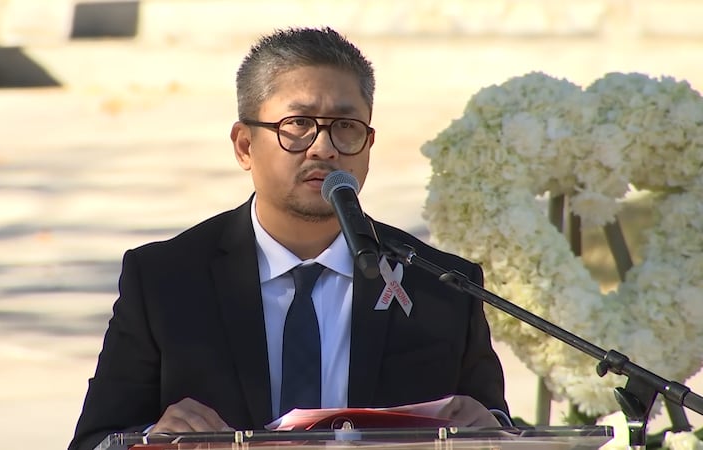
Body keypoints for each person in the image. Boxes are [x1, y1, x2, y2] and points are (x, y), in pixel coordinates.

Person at [69, 26, 508, 450]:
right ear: (244, 145)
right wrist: (153, 441)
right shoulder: (166, 281)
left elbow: (492, 425)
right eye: (297, 124)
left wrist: (492, 434)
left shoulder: (441, 285)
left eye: (346, 127)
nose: (324, 148)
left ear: (369, 144)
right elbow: (95, 440)